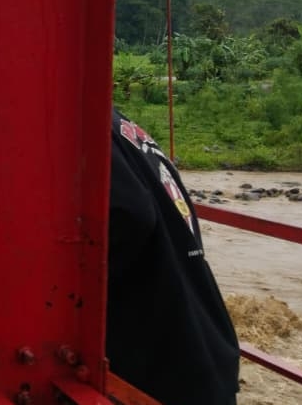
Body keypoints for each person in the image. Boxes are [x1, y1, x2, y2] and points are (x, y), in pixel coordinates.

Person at [107, 109, 240, 405]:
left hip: (163, 361)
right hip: (200, 342)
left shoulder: (84, 128)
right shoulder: (119, 125)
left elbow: (131, 215)